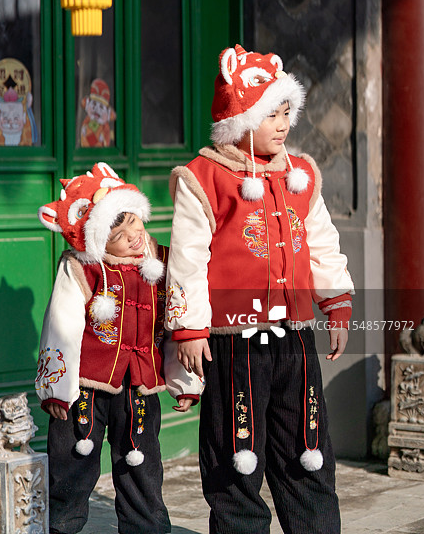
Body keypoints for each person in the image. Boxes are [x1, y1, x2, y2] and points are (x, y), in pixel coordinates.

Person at [164, 45, 355, 534]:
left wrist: (336, 302)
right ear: (239, 117)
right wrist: (189, 329)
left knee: (307, 452)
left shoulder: (301, 174)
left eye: (287, 110)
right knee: (236, 458)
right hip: (233, 345)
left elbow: (322, 241)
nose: (283, 122)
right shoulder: (204, 178)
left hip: (294, 340)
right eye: (270, 112)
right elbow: (187, 257)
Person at [36, 161, 171, 534]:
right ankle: (60, 527)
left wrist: (185, 380)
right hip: (86, 391)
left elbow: (177, 319)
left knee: (142, 466)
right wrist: (57, 390)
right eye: (117, 229)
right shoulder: (81, 268)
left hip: (140, 387)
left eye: (134, 220)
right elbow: (61, 324)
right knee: (71, 468)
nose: (133, 235)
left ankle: (147, 528)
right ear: (95, 239)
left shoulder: (161, 261)